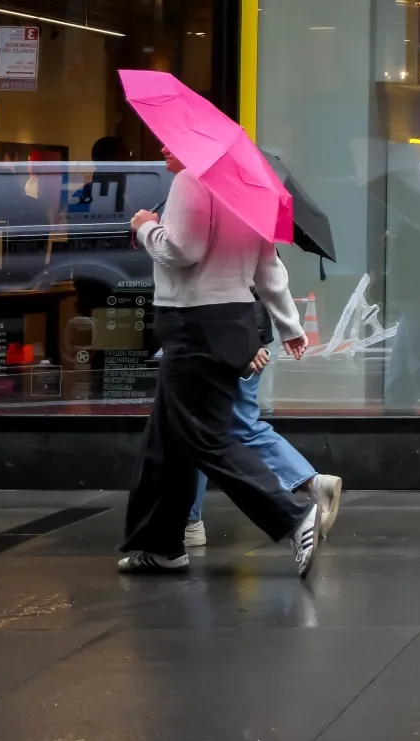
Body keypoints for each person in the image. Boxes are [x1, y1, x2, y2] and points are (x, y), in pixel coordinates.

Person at [117, 150, 321, 577]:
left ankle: (293, 515)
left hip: (192, 324)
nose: (164, 147)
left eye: (169, 141)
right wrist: (289, 325)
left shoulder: (192, 180)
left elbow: (181, 250)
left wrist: (146, 227)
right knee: (166, 441)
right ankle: (161, 546)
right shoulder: (249, 189)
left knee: (203, 438)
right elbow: (268, 269)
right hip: (230, 321)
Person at [183, 296, 342, 548]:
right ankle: (312, 483)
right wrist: (289, 327)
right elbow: (271, 283)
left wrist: (242, 342)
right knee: (236, 426)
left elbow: (221, 288)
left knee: (200, 426)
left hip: (227, 338)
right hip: (245, 335)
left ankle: (189, 521)